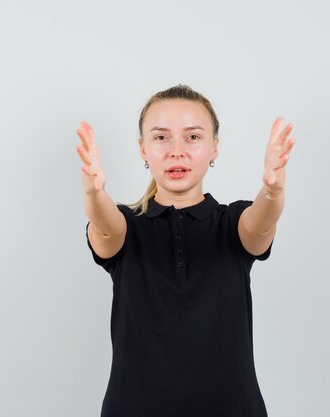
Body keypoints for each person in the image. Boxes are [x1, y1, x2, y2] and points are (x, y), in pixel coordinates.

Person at [75, 84, 295, 417]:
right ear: (143, 149)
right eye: (161, 138)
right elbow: (107, 227)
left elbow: (261, 224)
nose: (177, 151)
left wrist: (272, 190)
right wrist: (93, 194)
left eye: (192, 137)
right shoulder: (126, 227)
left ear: (214, 148)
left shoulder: (232, 224)